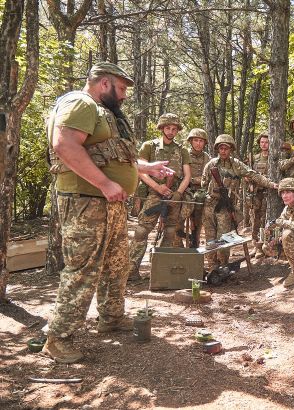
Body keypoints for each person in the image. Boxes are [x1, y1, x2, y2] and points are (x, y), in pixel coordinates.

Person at [43, 62, 174, 363]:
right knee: (83, 267)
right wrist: (104, 184)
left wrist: (145, 167)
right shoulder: (81, 103)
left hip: (108, 202)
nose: (125, 95)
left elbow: (109, 156)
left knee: (116, 263)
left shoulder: (105, 113)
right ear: (104, 83)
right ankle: (58, 338)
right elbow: (63, 145)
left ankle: (111, 317)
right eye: (122, 88)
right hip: (87, 200)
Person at [128, 113, 191, 279]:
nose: (171, 131)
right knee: (142, 230)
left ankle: (162, 270)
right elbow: (140, 171)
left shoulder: (182, 150)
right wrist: (157, 187)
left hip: (174, 196)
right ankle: (131, 270)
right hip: (154, 193)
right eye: (168, 128)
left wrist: (178, 193)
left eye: (174, 129)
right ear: (162, 128)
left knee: (170, 230)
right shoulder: (149, 146)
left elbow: (187, 175)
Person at [202, 134, 277, 271]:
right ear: (217, 149)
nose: (223, 151)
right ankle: (213, 266)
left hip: (225, 206)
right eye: (221, 148)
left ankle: (223, 265)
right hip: (209, 205)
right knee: (210, 237)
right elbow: (203, 184)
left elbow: (253, 174)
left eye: (226, 148)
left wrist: (270, 184)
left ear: (231, 149)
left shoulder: (236, 165)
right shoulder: (211, 164)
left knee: (223, 237)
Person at [178, 128, 211, 247]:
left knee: (199, 218)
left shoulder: (207, 157)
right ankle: (177, 242)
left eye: (201, 141)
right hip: (185, 189)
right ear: (191, 141)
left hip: (201, 192)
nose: (198, 143)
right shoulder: (183, 155)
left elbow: (209, 176)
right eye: (196, 140)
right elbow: (179, 174)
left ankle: (195, 241)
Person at [249, 132, 271, 255]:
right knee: (255, 219)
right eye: (262, 142)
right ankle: (256, 245)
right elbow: (249, 174)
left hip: (269, 193)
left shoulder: (273, 158)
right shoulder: (255, 158)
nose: (264, 144)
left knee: (266, 219)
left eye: (266, 142)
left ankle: (265, 244)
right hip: (256, 193)